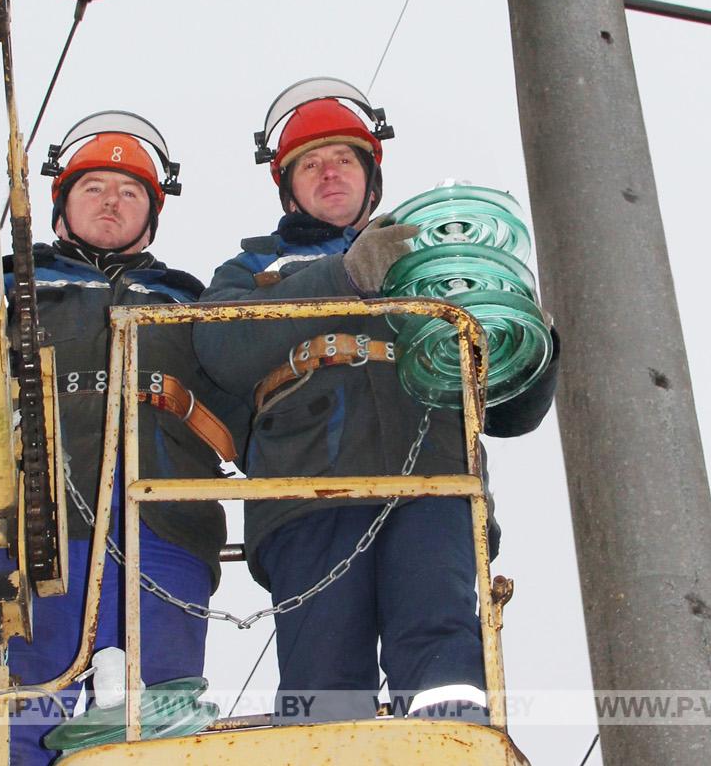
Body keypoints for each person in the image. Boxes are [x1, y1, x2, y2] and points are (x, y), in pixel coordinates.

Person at [195, 78, 559, 724]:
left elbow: (510, 413)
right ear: (288, 186)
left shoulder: (438, 260)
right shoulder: (251, 272)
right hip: (308, 491)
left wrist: (530, 341)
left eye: (344, 159)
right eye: (311, 163)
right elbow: (225, 352)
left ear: (371, 177)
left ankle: (454, 749)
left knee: (441, 648)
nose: (329, 173)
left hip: (434, 484)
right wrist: (345, 276)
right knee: (325, 680)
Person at [0, 111, 243, 765]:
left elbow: (244, 403)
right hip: (34, 523)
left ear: (151, 214)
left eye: (129, 192)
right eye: (94, 186)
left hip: (164, 523)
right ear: (61, 204)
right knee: (23, 710)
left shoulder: (190, 302)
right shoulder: (10, 288)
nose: (111, 201)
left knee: (163, 713)